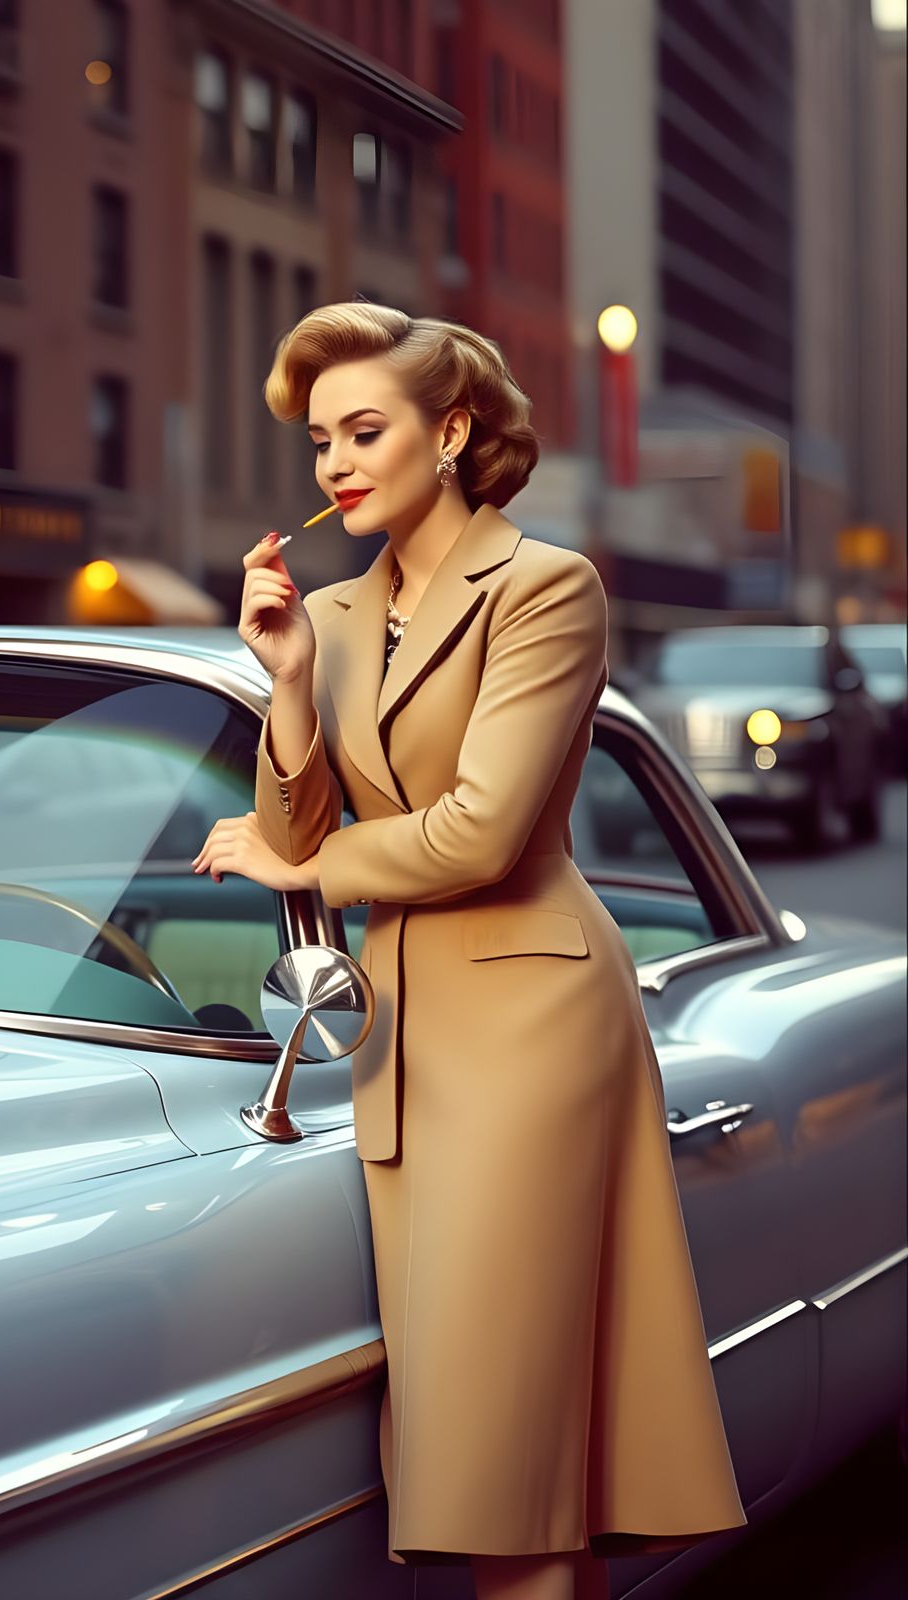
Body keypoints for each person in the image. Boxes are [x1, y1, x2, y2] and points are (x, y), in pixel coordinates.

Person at [190, 303, 747, 1600]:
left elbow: (482, 833)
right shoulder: (324, 613)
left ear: (449, 433)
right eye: (321, 439)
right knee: (489, 1442)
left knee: (508, 1452)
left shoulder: (546, 587)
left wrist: (302, 864)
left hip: (529, 1027)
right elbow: (300, 819)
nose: (333, 462)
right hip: (399, 1033)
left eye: (363, 430)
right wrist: (281, 682)